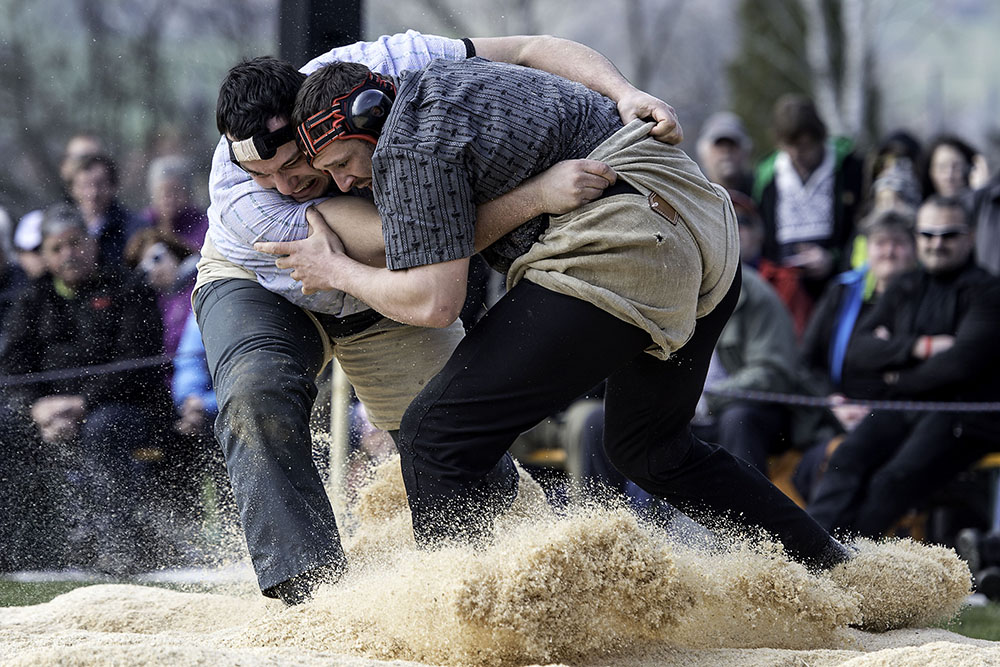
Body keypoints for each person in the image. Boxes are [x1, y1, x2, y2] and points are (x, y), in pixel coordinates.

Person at [264, 56, 853, 572]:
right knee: (651, 450)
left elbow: (434, 302)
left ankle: (465, 623)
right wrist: (625, 93)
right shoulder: (439, 73)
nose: (341, 183)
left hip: (623, 248)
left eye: (343, 164)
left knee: (432, 434)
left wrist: (335, 271)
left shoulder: (406, 144)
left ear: (370, 120)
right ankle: (835, 569)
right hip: (704, 232)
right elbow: (539, 49)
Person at [200, 31, 681, 605]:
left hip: (381, 296)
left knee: (449, 435)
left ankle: (522, 580)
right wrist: (538, 195)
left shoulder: (378, 69)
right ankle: (308, 600)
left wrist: (623, 93)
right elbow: (415, 243)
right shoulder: (243, 197)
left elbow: (528, 49)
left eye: (296, 169)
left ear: (320, 120)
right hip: (268, 285)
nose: (283, 188)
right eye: (265, 177)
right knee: (257, 392)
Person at [806, 196, 1000, 537]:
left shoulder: (988, 291)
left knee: (890, 481)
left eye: (948, 235)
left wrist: (895, 373)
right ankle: (808, 558)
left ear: (969, 237)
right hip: (902, 406)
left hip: (962, 415)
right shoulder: (905, 286)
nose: (936, 243)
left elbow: (960, 365)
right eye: (927, 234)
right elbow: (857, 350)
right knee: (845, 460)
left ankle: (847, 570)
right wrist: (920, 347)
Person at [0, 203, 172, 573]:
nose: (68, 254)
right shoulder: (32, 298)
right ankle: (20, 550)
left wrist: (81, 404)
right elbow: (12, 365)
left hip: (126, 408)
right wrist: (36, 408)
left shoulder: (127, 287)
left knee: (103, 427)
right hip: (48, 413)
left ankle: (119, 547)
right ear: (44, 255)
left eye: (75, 243)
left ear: (92, 243)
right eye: (56, 248)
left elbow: (135, 362)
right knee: (6, 425)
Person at [752, 94, 863, 300]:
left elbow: (860, 229)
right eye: (789, 147)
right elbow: (762, 237)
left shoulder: (849, 168)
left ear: (819, 137)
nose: (797, 154)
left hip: (838, 286)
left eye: (804, 146)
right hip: (785, 290)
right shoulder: (767, 176)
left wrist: (832, 259)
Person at [66, 153, 145, 267]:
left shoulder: (133, 228)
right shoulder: (60, 227)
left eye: (100, 184)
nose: (93, 193)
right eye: (85, 185)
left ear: (113, 186)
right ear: (72, 189)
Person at [137, 155, 210, 253]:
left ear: (188, 193)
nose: (169, 199)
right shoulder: (142, 224)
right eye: (163, 192)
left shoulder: (203, 224)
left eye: (176, 192)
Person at [696, 111, 754, 195]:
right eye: (719, 145)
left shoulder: (761, 192)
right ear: (703, 153)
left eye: (733, 144)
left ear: (746, 151)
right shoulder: (694, 192)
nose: (726, 151)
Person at [920, 134, 977, 201]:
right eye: (942, 167)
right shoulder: (920, 207)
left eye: (956, 167)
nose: (949, 176)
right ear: (930, 171)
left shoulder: (983, 207)